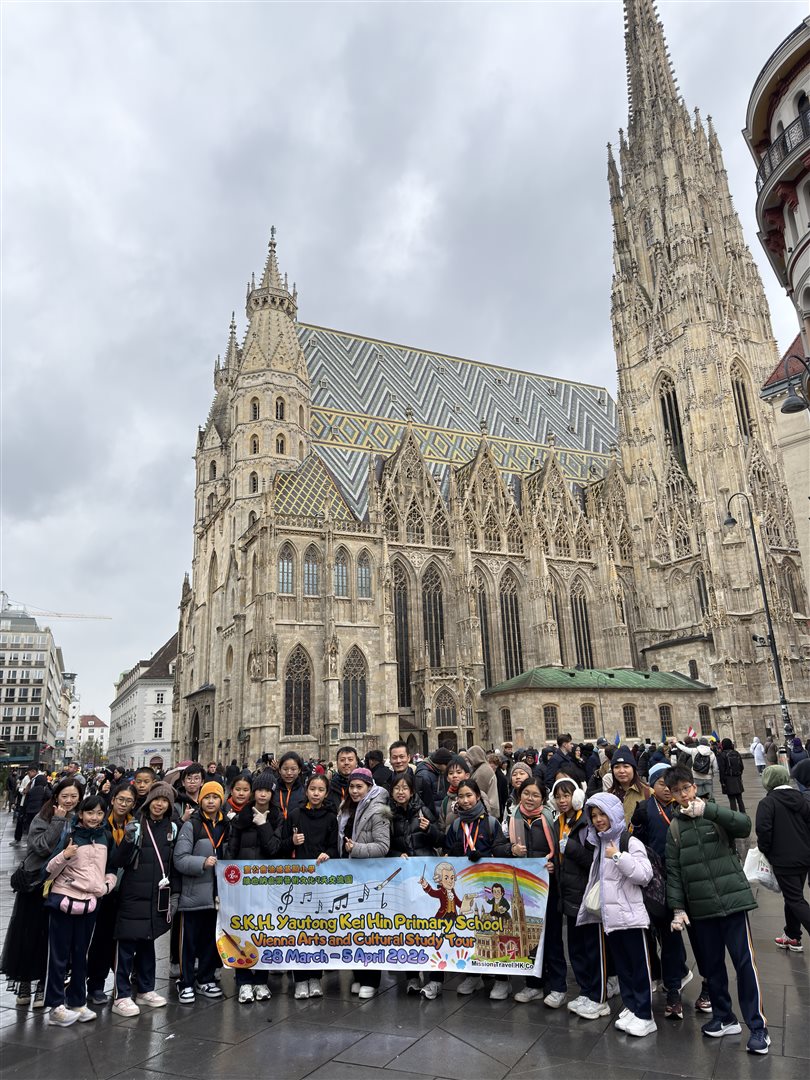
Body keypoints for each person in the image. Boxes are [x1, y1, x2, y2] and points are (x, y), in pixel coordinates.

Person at [664, 766, 769, 1055]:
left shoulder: (713, 812)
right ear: (671, 795)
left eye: (686, 788)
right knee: (712, 967)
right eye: (677, 791)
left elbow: (744, 826)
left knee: (744, 965)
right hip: (701, 908)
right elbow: (674, 871)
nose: (684, 795)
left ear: (694, 787)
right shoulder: (675, 828)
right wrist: (677, 908)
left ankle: (758, 1027)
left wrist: (709, 810)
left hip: (732, 902)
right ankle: (724, 1017)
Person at [577, 792, 656, 1037]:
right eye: (594, 816)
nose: (599, 820)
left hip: (631, 917)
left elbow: (644, 874)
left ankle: (645, 1015)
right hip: (611, 918)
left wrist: (619, 857)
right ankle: (632, 1008)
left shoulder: (628, 841)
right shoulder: (600, 843)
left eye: (603, 814)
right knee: (624, 968)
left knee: (639, 967)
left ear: (614, 814)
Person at [1, 777, 81, 1009]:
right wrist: (58, 820)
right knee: (28, 935)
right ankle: (25, 983)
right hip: (36, 885)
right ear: (56, 796)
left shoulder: (79, 819)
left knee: (52, 938)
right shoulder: (43, 817)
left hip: (61, 885)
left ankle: (42, 987)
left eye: (74, 796)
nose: (69, 800)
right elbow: (41, 846)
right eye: (64, 796)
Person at [42, 794, 117, 1027]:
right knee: (58, 956)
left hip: (90, 903)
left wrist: (106, 887)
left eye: (99, 813)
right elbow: (49, 870)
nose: (94, 817)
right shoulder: (70, 835)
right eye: (90, 812)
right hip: (64, 900)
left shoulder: (106, 836)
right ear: (81, 814)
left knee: (81, 954)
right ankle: (55, 1006)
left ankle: (77, 1001)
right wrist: (65, 855)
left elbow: (112, 868)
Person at [630, 763, 693, 1020]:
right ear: (652, 786)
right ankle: (671, 986)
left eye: (671, 786)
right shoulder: (644, 809)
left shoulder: (685, 807)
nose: (667, 789)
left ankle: (677, 984)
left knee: (677, 937)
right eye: (661, 784)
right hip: (656, 881)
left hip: (683, 877)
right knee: (664, 935)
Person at [110, 782, 178, 1017]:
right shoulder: (137, 825)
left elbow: (172, 863)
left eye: (165, 801)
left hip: (156, 895)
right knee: (126, 944)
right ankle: (121, 995)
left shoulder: (172, 828)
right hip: (132, 893)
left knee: (148, 943)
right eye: (156, 799)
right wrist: (128, 840)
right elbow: (118, 860)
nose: (160, 804)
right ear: (149, 801)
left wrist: (174, 895)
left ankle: (145, 989)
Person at [444, 778, 512, 999]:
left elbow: (501, 850)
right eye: (461, 796)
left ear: (477, 797)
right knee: (469, 930)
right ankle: (473, 975)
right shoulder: (456, 825)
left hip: (489, 886)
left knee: (494, 931)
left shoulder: (491, 823)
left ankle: (501, 980)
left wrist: (485, 855)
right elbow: (447, 854)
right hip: (466, 887)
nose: (465, 801)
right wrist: (453, 852)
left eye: (469, 795)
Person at [510, 779, 566, 1009]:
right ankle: (533, 984)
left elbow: (561, 850)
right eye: (526, 793)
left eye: (535, 795)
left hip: (548, 885)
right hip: (524, 887)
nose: (530, 798)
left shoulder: (551, 819)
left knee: (552, 936)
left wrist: (554, 864)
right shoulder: (513, 818)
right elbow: (499, 847)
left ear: (543, 798)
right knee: (528, 937)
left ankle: (558, 986)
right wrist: (511, 849)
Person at [173, 780, 230, 1003]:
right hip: (194, 894)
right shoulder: (192, 826)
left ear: (221, 800)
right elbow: (179, 858)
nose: (211, 801)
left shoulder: (227, 825)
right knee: (189, 942)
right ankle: (185, 982)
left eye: (215, 797)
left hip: (217, 894)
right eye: (207, 797)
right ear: (201, 800)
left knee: (210, 940)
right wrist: (202, 862)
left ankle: (206, 978)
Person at [337, 768, 391, 999]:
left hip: (369, 875)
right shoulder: (346, 807)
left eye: (360, 786)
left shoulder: (378, 810)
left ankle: (371, 979)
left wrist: (356, 849)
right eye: (352, 786)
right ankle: (358, 975)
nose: (355, 791)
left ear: (369, 787)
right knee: (352, 929)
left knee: (369, 929)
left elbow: (383, 846)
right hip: (349, 874)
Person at [226, 770, 280, 1002]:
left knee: (264, 931)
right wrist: (227, 884)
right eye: (259, 790)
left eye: (267, 790)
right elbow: (231, 851)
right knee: (242, 932)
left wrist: (264, 825)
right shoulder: (241, 818)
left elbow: (275, 849)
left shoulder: (277, 817)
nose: (262, 794)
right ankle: (244, 981)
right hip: (244, 883)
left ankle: (261, 980)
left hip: (266, 883)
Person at [86, 782, 137, 1004]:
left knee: (122, 940)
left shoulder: (135, 825)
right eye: (121, 799)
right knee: (100, 938)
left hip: (126, 890)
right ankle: (95, 984)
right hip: (101, 889)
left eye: (129, 801)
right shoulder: (101, 824)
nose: (124, 804)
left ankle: (121, 984)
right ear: (113, 799)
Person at [755, 764, 810, 953]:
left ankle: (793, 934)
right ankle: (792, 935)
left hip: (783, 860)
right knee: (793, 896)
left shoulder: (768, 803)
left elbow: (763, 831)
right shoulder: (801, 798)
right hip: (804, 857)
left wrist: (766, 851)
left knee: (795, 899)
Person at [601, 745, 650, 824]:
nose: (621, 771)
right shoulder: (609, 795)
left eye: (626, 766)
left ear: (633, 769)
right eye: (617, 767)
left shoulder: (648, 793)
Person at [414, 747, 452, 817]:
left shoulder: (437, 771)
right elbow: (425, 803)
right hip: (431, 817)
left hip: (439, 814)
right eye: (447, 765)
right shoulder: (424, 776)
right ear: (441, 764)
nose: (448, 768)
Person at [464, 745, 501, 818]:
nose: (469, 762)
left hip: (487, 810)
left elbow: (477, 792)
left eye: (469, 759)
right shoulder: (483, 768)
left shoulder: (482, 771)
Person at [272, 752, 307, 821]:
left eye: (293, 769)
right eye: (285, 769)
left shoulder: (305, 792)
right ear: (279, 770)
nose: (289, 773)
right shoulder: (272, 789)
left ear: (299, 770)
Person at [327, 745, 360, 811]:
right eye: (342, 760)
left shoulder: (366, 786)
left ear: (356, 762)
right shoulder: (329, 787)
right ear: (337, 763)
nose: (346, 763)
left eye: (350, 759)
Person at [717, 738, 745, 814]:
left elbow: (722, 769)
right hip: (737, 778)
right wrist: (739, 775)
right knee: (739, 798)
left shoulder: (722, 755)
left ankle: (734, 815)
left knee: (732, 799)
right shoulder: (736, 753)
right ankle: (743, 814)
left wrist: (722, 781)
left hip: (728, 779)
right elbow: (741, 766)